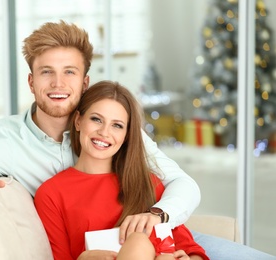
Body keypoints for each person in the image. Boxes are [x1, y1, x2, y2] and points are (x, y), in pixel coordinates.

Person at [0, 20, 276, 259]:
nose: (58, 85)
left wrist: (158, 221)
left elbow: (182, 186)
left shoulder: (124, 149)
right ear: (31, 83)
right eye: (47, 73)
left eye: (69, 72)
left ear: (84, 82)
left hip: (163, 244)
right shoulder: (8, 140)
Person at [34, 80, 209, 260]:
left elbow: (192, 250)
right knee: (139, 243)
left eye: (117, 125)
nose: (104, 132)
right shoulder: (51, 194)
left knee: (151, 250)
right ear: (78, 121)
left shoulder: (147, 182)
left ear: (126, 136)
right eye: (96, 119)